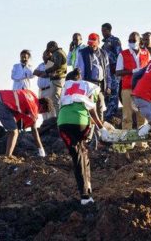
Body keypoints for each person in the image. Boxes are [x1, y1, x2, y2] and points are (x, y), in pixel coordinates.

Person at [58, 68, 109, 205]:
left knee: (77, 157)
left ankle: (85, 195)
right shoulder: (88, 85)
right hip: (81, 123)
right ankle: (87, 190)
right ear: (79, 78)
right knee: (83, 152)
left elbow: (62, 107)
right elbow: (92, 108)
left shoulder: (65, 87)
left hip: (64, 123)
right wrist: (101, 127)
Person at [116, 32, 150, 148]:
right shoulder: (123, 54)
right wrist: (132, 71)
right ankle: (127, 142)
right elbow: (118, 72)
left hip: (142, 89)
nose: (131, 43)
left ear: (139, 41)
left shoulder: (146, 53)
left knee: (142, 116)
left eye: (133, 40)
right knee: (127, 116)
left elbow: (150, 69)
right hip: (128, 88)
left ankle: (142, 143)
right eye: (129, 40)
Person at [76, 33, 111, 121]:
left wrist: (108, 86)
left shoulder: (104, 53)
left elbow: (107, 71)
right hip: (88, 84)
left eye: (94, 45)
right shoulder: (82, 53)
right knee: (89, 108)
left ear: (98, 42)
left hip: (100, 85)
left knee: (100, 108)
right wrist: (81, 86)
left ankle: (100, 132)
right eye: (90, 44)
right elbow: (80, 71)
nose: (91, 46)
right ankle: (90, 132)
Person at [101, 23, 122, 121]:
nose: (103, 32)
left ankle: (113, 114)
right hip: (106, 73)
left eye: (105, 30)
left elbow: (119, 55)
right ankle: (109, 113)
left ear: (110, 30)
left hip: (114, 71)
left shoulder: (115, 40)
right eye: (102, 30)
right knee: (107, 93)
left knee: (114, 93)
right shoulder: (103, 45)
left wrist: (117, 67)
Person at [45, 41, 67, 116]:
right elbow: (50, 64)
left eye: (49, 49)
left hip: (57, 78)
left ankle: (59, 119)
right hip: (58, 78)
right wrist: (48, 59)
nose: (49, 51)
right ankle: (60, 118)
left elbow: (57, 65)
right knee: (56, 100)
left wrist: (47, 71)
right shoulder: (58, 52)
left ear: (53, 47)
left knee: (56, 100)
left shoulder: (57, 53)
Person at [33, 50, 55, 120]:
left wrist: (42, 74)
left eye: (48, 55)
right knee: (42, 108)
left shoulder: (51, 64)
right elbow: (34, 72)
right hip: (41, 90)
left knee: (49, 108)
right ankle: (45, 124)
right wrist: (43, 73)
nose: (46, 56)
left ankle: (51, 124)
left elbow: (48, 74)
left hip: (49, 89)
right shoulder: (41, 65)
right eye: (45, 55)